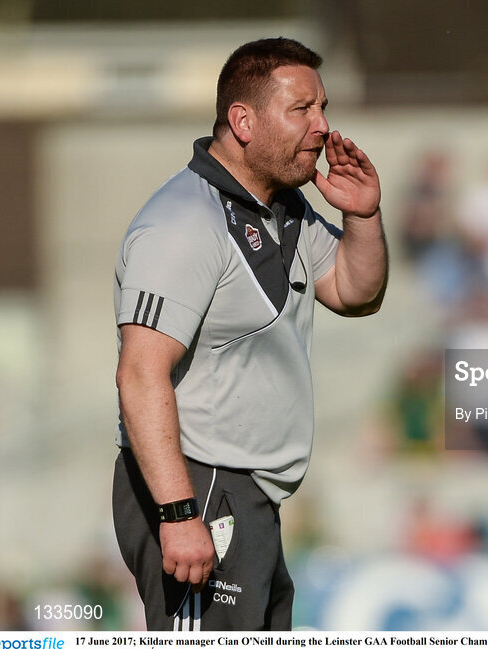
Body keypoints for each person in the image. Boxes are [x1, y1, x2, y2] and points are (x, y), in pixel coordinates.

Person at [111, 38, 387, 631]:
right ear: (242, 121)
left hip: (246, 499)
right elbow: (140, 372)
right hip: (201, 490)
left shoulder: (282, 208)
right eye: (302, 110)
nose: (322, 127)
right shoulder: (185, 222)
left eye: (323, 107)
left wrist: (361, 215)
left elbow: (353, 291)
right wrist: (181, 512)